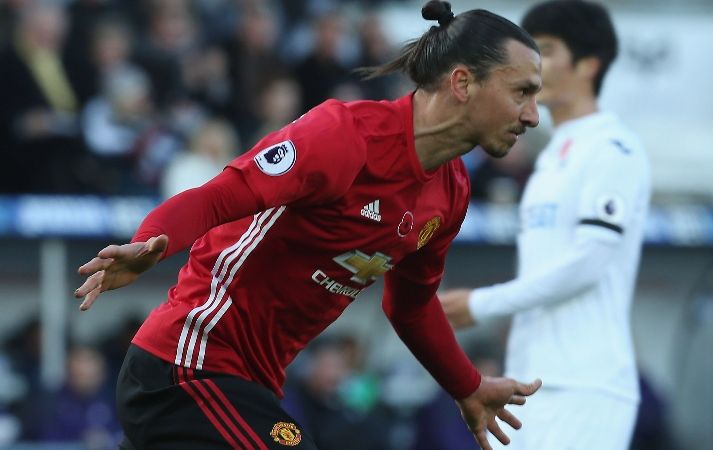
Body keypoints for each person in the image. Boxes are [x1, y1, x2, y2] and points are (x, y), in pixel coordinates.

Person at [73, 2, 543, 449]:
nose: (533, 115)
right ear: (463, 82)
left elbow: (412, 307)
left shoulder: (451, 192)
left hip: (251, 383)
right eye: (521, 91)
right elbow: (218, 197)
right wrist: (147, 243)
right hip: (188, 366)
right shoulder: (346, 138)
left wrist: (469, 387)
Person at [439, 1, 651, 449]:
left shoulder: (612, 148)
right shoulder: (552, 155)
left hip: (585, 385)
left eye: (548, 49)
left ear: (589, 65)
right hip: (532, 382)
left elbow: (589, 263)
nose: (534, 62)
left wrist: (481, 304)